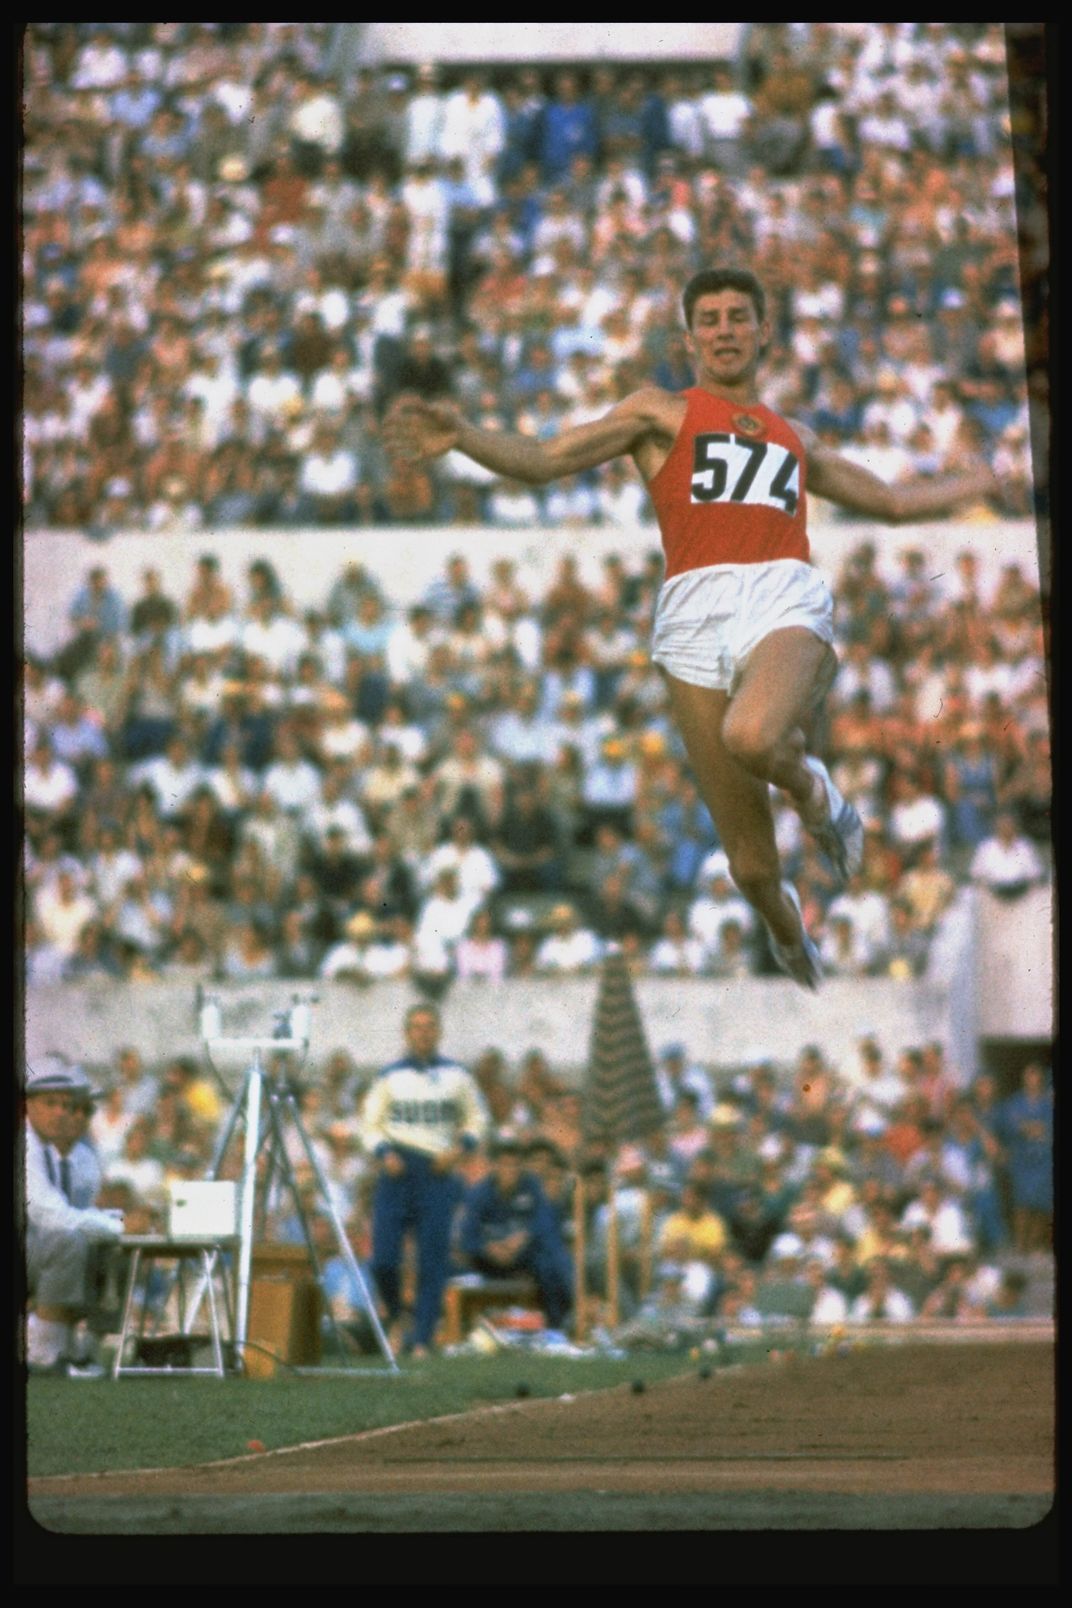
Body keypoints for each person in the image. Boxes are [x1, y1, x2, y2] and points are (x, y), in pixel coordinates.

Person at [386, 266, 995, 989]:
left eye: (740, 316)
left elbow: (892, 501)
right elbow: (547, 459)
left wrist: (986, 482)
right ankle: (785, 926)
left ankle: (813, 790)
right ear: (689, 337)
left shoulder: (793, 436)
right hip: (690, 615)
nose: (726, 330)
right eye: (710, 319)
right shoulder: (660, 412)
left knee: (754, 736)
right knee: (749, 865)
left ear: (765, 332)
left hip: (781, 596)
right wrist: (463, 437)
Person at [362, 1003, 489, 1357]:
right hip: (398, 1168)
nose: (423, 1033)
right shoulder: (389, 1076)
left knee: (432, 1258)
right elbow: (370, 1124)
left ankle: (422, 1338)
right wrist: (383, 1153)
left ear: (439, 1031)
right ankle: (397, 1315)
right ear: (406, 1033)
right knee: (384, 1258)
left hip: (438, 1170)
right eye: (416, 1027)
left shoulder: (457, 1076)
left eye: (429, 1026)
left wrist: (458, 1149)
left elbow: (477, 1119)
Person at [23, 1055, 127, 1376]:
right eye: (50, 1103)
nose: (63, 1113)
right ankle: (42, 1353)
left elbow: (83, 1212)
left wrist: (121, 1226)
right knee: (67, 1242)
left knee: (112, 1250)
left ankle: (82, 1349)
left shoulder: (79, 1155)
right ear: (29, 1105)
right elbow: (48, 1215)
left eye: (68, 1106)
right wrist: (116, 1227)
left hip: (33, 1248)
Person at [457, 1138, 573, 1333]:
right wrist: (489, 1248)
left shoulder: (531, 1187)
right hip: (488, 1260)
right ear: (494, 1167)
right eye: (505, 1165)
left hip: (522, 1257)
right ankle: (459, 1330)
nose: (510, 1171)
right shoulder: (479, 1194)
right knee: (449, 1266)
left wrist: (523, 1237)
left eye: (515, 1165)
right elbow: (467, 1237)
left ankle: (556, 1325)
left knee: (550, 1260)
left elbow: (544, 1222)